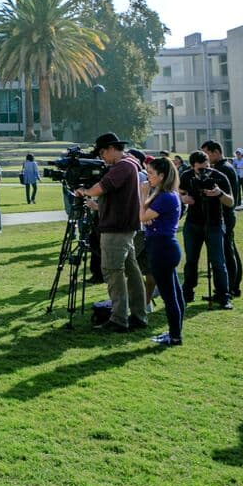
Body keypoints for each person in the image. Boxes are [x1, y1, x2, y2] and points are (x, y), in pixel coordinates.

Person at [75, 133, 147, 332]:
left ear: (111, 148)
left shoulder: (123, 166)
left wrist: (85, 191)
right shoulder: (129, 164)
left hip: (117, 228)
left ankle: (118, 319)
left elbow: (102, 187)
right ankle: (138, 315)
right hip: (123, 227)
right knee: (131, 272)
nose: (101, 157)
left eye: (102, 152)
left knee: (112, 271)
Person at [178, 149, 234, 309]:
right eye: (201, 169)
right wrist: (183, 198)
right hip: (193, 224)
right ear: (192, 167)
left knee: (218, 261)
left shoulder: (219, 177)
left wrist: (219, 193)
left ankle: (223, 296)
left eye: (207, 167)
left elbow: (230, 202)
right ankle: (187, 292)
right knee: (191, 260)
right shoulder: (186, 176)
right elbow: (178, 193)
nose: (205, 171)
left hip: (214, 223)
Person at [141, 156, 184, 346]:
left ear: (162, 175)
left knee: (169, 296)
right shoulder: (167, 194)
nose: (148, 177)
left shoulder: (165, 196)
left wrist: (143, 195)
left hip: (162, 248)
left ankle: (175, 336)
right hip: (165, 246)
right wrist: (147, 214)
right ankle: (175, 332)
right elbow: (147, 217)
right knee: (174, 293)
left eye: (151, 174)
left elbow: (142, 217)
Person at [202, 140, 243, 298]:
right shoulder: (223, 167)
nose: (205, 158)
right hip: (227, 214)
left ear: (216, 152)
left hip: (225, 215)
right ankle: (233, 285)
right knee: (229, 249)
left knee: (227, 251)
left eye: (207, 154)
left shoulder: (222, 169)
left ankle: (230, 287)